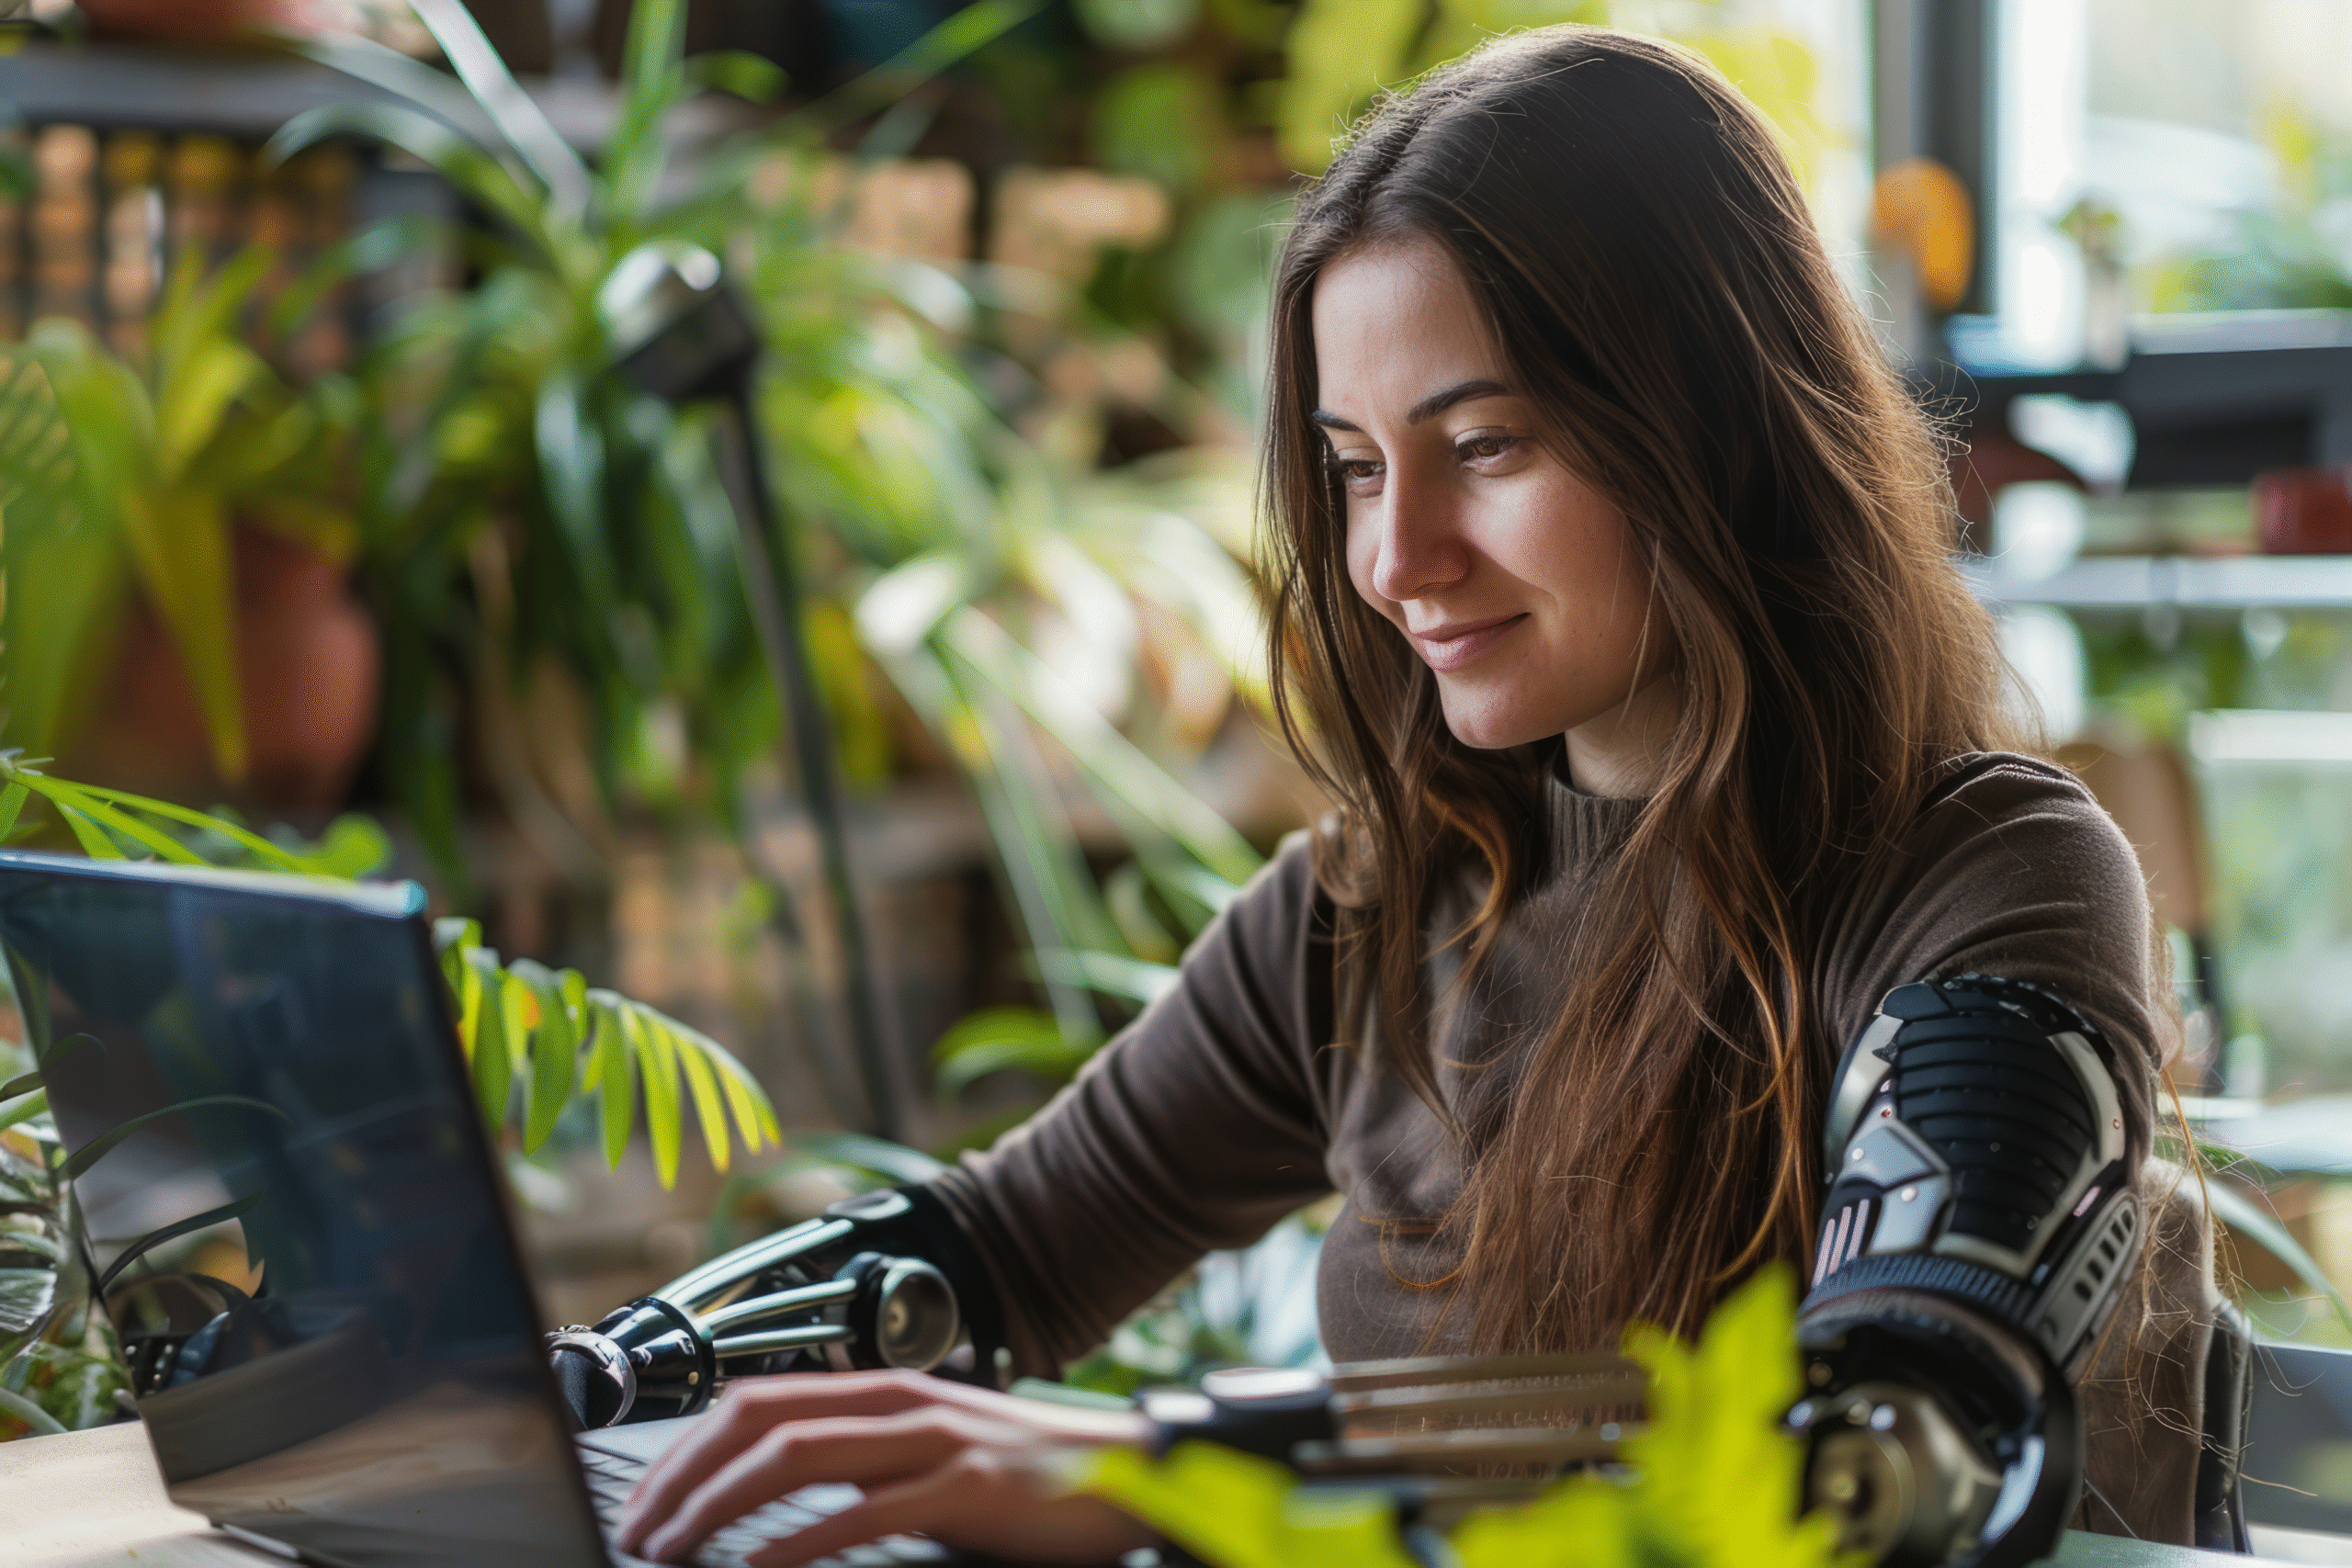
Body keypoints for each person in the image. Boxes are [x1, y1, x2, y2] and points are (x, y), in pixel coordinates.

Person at [617, 26, 2215, 1566]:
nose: (1395, 560)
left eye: (1486, 444)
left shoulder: (1988, 874)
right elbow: (998, 1249)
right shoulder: (1376, 905)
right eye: (1360, 466)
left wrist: (1186, 1478)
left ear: (1719, 434)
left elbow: (1894, 1451)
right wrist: (614, 1370)